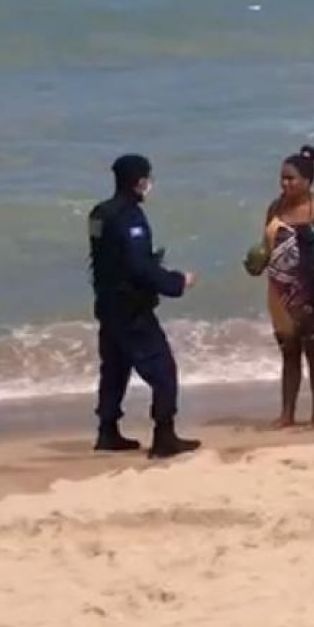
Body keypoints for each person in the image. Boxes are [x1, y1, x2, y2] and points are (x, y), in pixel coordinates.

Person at [88, 153, 200, 459]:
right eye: (148, 179)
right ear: (139, 182)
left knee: (115, 368)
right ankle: (164, 437)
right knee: (163, 371)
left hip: (107, 306)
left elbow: (107, 261)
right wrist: (177, 281)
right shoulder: (130, 218)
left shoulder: (99, 214)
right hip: (131, 310)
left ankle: (107, 432)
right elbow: (137, 267)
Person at [257, 144, 314, 427]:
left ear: (307, 181)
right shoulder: (275, 208)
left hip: (313, 293)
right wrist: (256, 261)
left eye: (291, 178)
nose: (285, 183)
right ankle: (287, 414)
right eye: (282, 177)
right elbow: (267, 246)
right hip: (280, 292)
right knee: (289, 353)